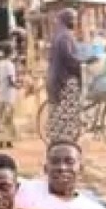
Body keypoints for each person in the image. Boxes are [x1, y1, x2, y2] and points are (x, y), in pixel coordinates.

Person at [45, 8, 85, 144]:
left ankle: (57, 142)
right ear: (67, 20)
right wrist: (82, 64)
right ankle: (65, 143)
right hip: (63, 81)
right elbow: (69, 59)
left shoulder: (58, 35)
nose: (74, 22)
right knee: (66, 115)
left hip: (53, 79)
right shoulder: (65, 37)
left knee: (56, 114)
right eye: (72, 19)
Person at [0, 42, 19, 149]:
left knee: (1, 118)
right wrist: (18, 86)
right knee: (8, 119)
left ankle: (2, 142)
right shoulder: (10, 65)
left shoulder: (0, 63)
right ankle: (7, 141)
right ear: (11, 52)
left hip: (1, 94)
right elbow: (11, 81)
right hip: (9, 96)